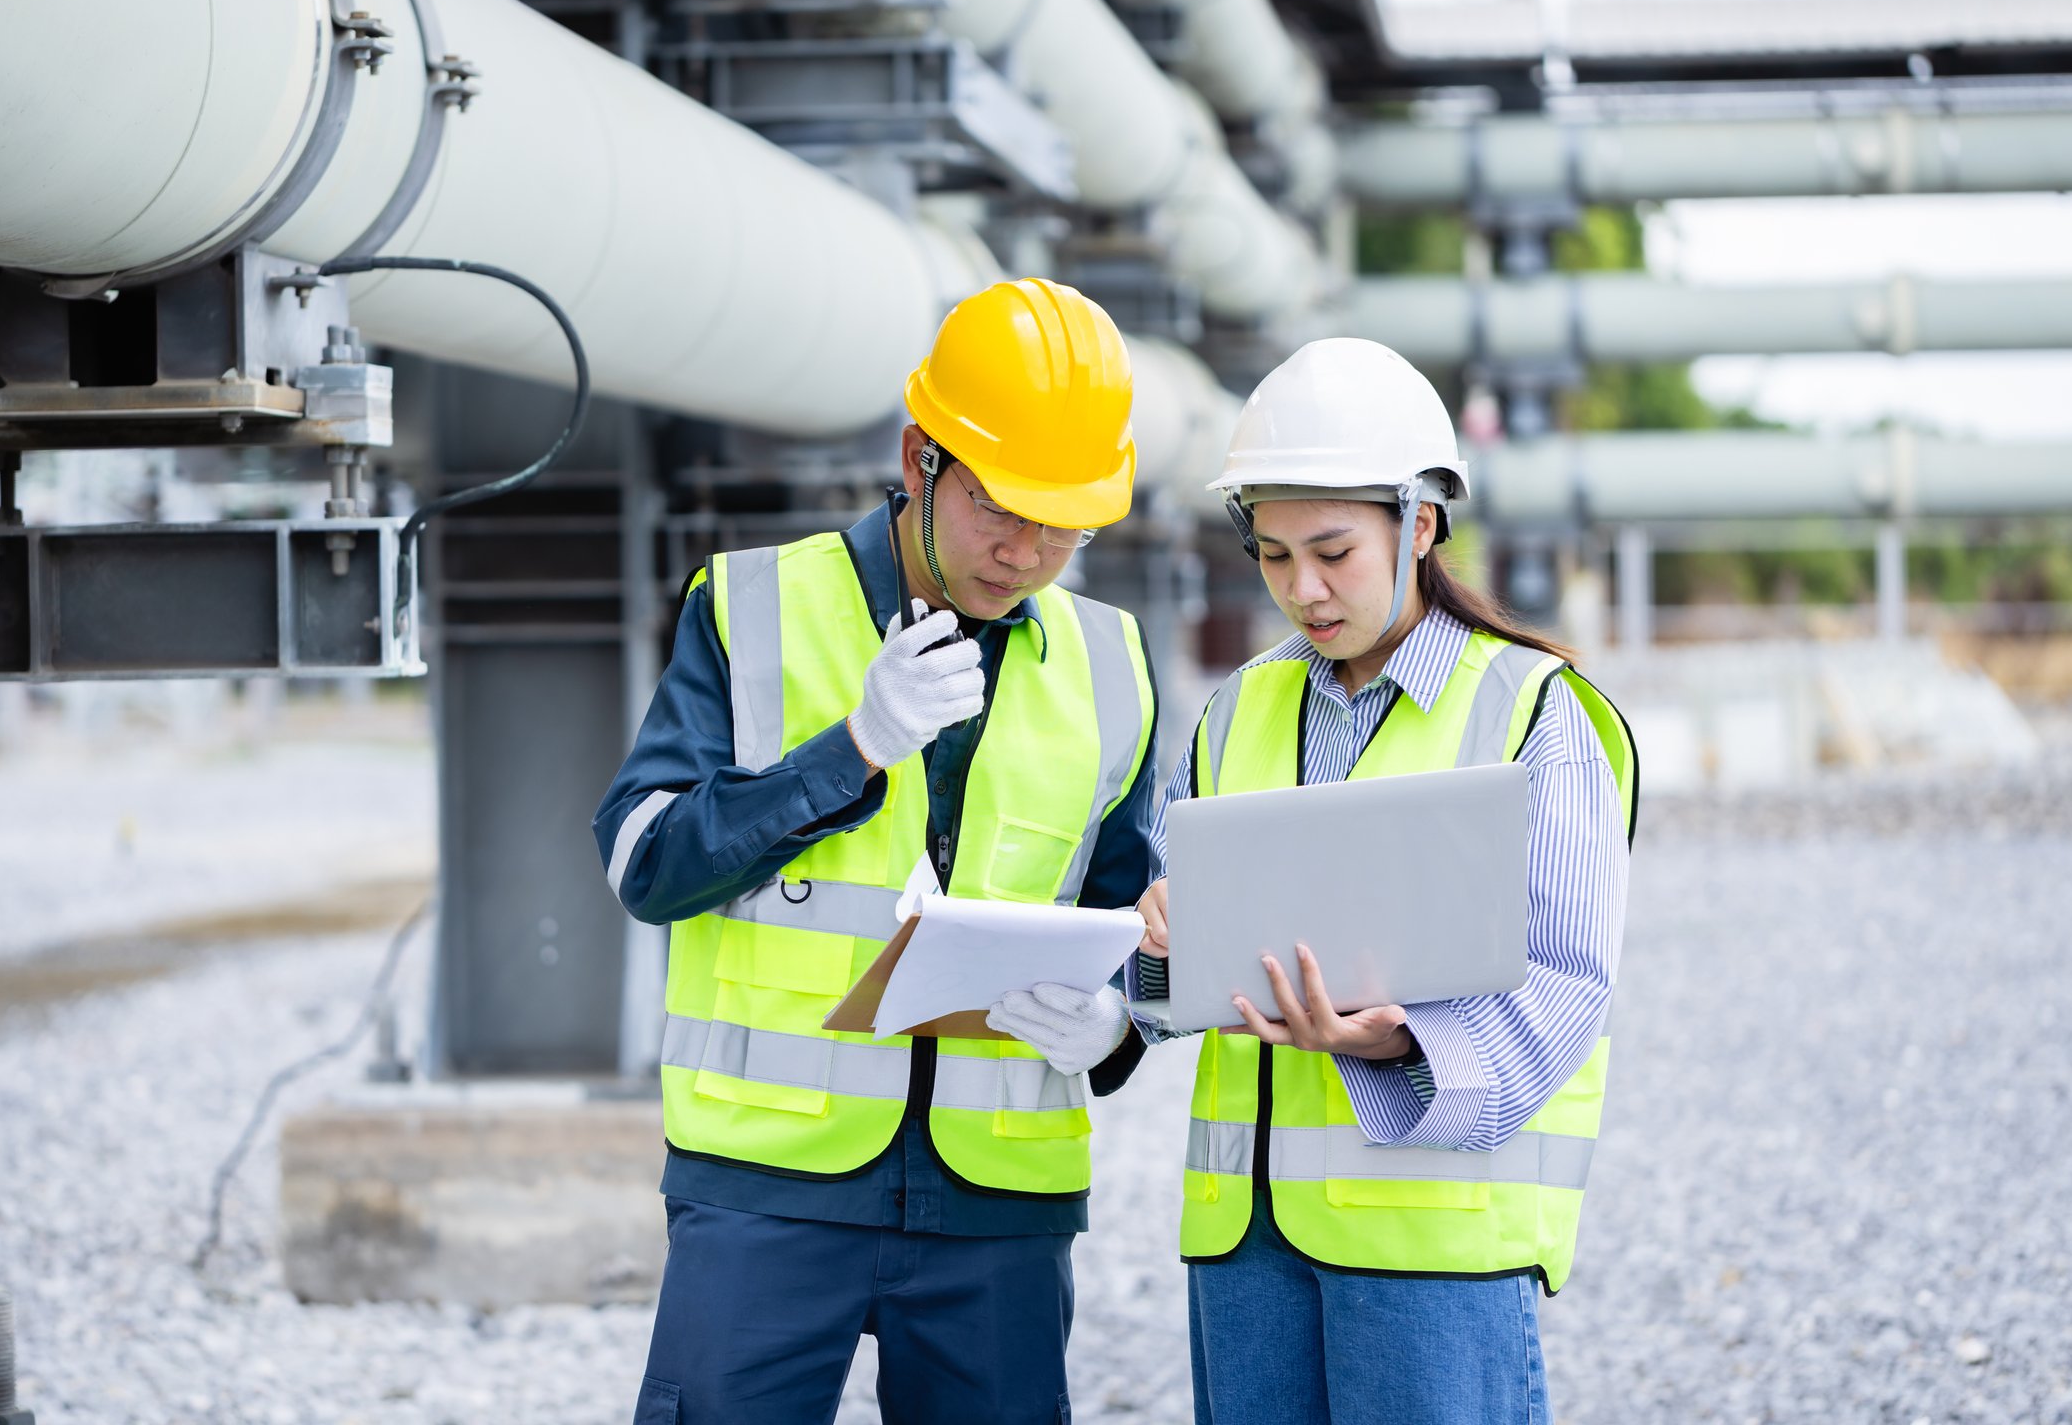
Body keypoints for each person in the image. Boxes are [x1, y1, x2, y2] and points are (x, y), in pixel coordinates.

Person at [596, 277, 1162, 1425]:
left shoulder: (1114, 663)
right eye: (1004, 507)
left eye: (1068, 522)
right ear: (921, 459)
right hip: (768, 1185)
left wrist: (1121, 1030)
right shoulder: (754, 607)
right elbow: (645, 863)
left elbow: (1132, 928)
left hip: (997, 1202)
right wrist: (851, 750)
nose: (1029, 551)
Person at [1132, 337, 1639, 1425]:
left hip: (1431, 1250)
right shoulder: (1236, 711)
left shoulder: (1535, 713)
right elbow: (1167, 986)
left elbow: (1566, 985)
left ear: (1419, 524)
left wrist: (1403, 1043)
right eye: (1271, 556)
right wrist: (1157, 953)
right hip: (1244, 1248)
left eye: (1331, 551)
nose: (1301, 590)